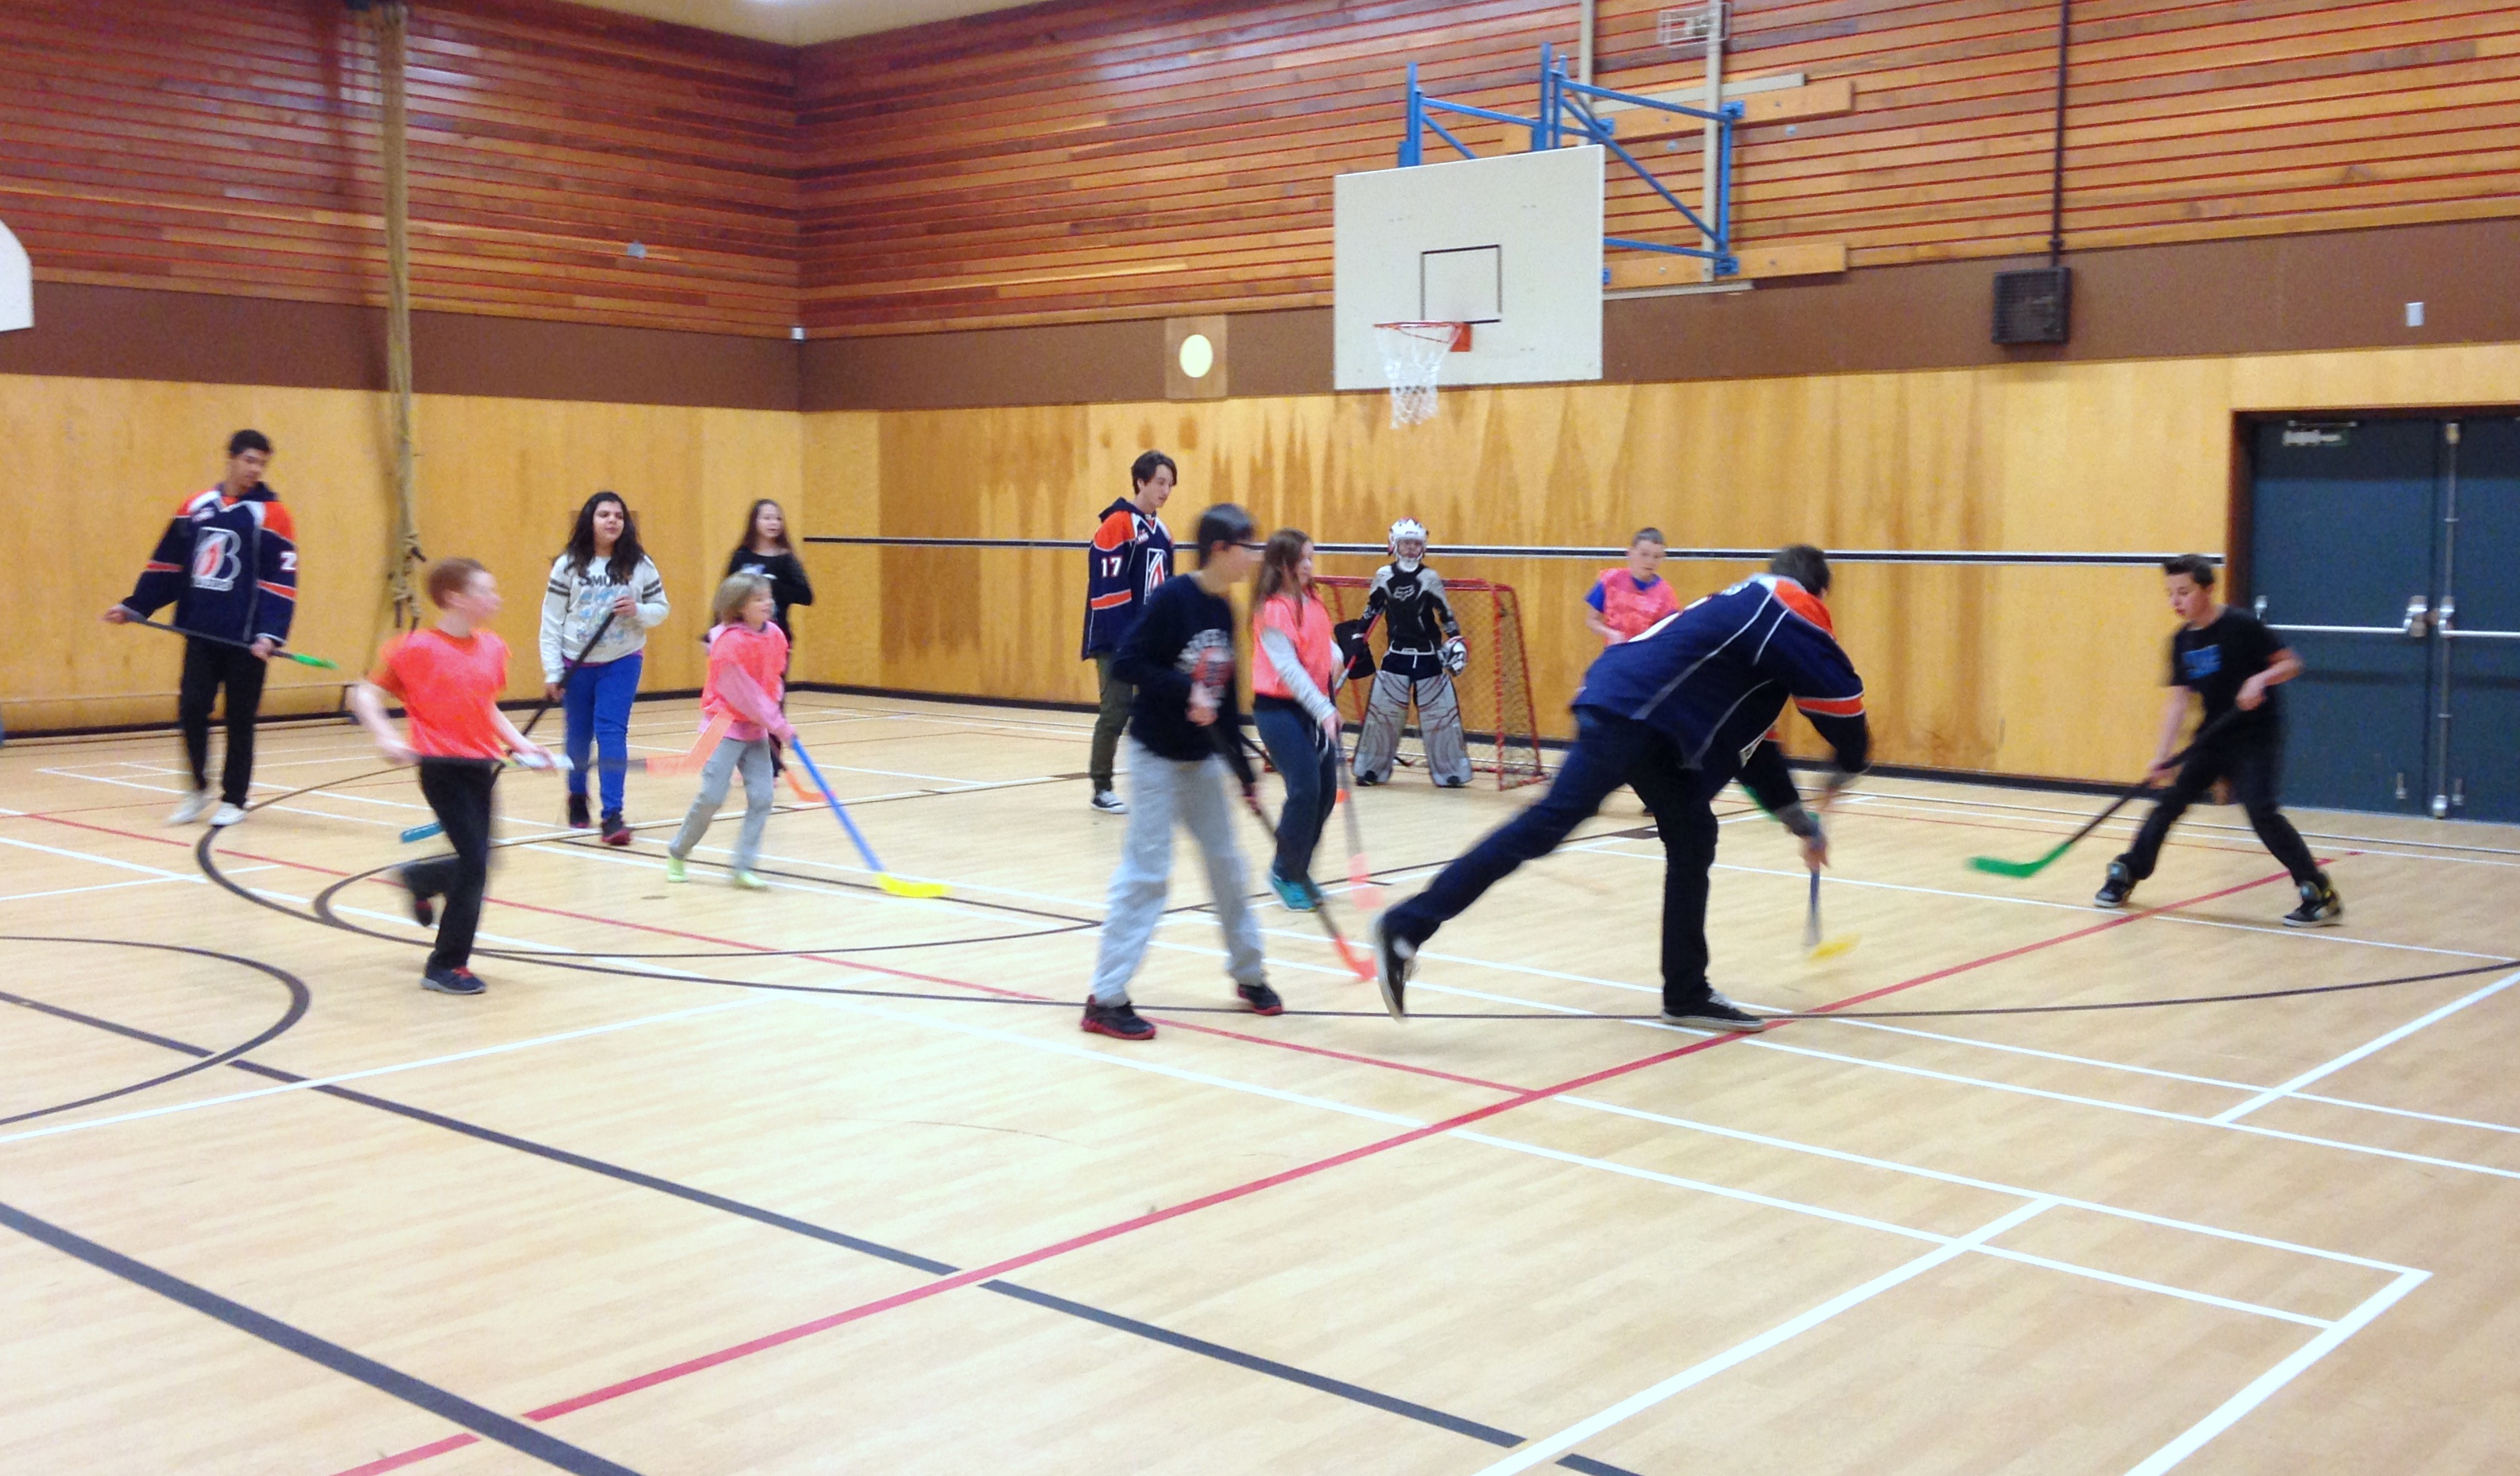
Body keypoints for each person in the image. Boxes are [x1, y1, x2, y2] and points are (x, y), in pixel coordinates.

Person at [1373, 545, 1871, 1031]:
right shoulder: (1784, 606)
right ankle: (1406, 926)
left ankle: (1686, 994)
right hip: (1636, 716)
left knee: (1694, 834)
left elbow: (1756, 750)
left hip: (1641, 716)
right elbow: (1847, 711)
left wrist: (1802, 824)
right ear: (1819, 592)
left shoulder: (1743, 615)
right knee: (1549, 823)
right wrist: (1846, 767)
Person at [1082, 503, 1282, 1041]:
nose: (1254, 556)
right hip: (1154, 758)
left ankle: (1248, 974)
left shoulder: (1225, 608)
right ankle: (1105, 997)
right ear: (1221, 549)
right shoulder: (1174, 599)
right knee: (1147, 874)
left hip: (1202, 760)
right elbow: (1128, 662)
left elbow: (1228, 693)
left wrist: (1243, 770)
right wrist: (1181, 689)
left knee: (1228, 868)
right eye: (1248, 546)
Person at [2095, 555, 2340, 925]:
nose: (2176, 601)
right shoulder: (2181, 641)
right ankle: (2128, 872)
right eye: (2170, 594)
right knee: (2169, 804)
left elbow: (2290, 663)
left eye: (2184, 592)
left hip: (2256, 735)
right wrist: (2162, 757)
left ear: (2208, 589)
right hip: (2213, 737)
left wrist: (2260, 680)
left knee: (2262, 813)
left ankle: (2317, 889)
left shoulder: (2241, 626)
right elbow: (2178, 702)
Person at [350, 558, 551, 997]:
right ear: (456, 598)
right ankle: (445, 965)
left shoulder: (493, 647)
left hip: (481, 768)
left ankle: (421, 879)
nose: (496, 599)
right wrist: (386, 737)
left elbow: (487, 708)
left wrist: (524, 746)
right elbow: (364, 693)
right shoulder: (415, 648)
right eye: (486, 591)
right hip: (442, 769)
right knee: (475, 866)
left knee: (480, 860)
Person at [101, 429, 298, 827]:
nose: (254, 469)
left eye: (261, 463)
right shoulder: (194, 507)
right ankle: (195, 789)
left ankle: (235, 799)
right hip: (201, 634)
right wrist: (135, 605)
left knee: (240, 719)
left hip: (247, 641)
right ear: (231, 459)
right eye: (248, 460)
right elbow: (168, 565)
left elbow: (282, 579)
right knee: (191, 709)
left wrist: (270, 634)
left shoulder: (274, 515)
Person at [541, 490, 668, 845]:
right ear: (590, 520)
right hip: (575, 661)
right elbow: (551, 621)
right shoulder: (568, 564)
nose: (612, 520)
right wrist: (553, 671)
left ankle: (613, 814)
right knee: (578, 736)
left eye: (618, 515)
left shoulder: (639, 564)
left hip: (623, 660)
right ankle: (577, 794)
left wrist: (638, 611)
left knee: (612, 732)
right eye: (604, 515)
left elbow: (661, 608)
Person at [665, 574, 791, 890]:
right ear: (739, 607)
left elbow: (774, 677)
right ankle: (678, 851)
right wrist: (777, 724)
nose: (768, 602)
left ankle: (743, 866)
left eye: (768, 596)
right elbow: (742, 692)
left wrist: (772, 713)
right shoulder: (729, 643)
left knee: (762, 797)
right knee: (711, 796)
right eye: (758, 598)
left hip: (754, 729)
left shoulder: (774, 635)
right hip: (721, 724)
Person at [1250, 529, 1345, 912]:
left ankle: (1299, 868)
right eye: (1303, 559)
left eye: (1312, 557)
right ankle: (1283, 873)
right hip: (1278, 711)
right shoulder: (1271, 608)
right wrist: (1324, 709)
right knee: (1304, 789)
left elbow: (1321, 645)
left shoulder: (1311, 598)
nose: (1309, 565)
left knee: (1324, 793)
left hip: (1312, 706)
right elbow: (1288, 669)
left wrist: (1337, 655)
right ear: (1283, 564)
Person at [1080, 451, 1178, 815]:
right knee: (1116, 710)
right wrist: (1125, 643)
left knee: (1155, 712)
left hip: (1148, 644)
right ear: (1140, 481)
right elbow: (1107, 587)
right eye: (1160, 482)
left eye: (1170, 484)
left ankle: (1154, 784)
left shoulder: (1162, 532)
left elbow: (1165, 591)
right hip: (1115, 640)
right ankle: (1101, 787)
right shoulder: (1117, 525)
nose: (1166, 491)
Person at [1350, 518, 1471, 788]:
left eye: (1416, 544)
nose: (1410, 549)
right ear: (1394, 544)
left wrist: (1456, 640)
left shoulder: (1430, 578)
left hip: (1429, 656)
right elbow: (1372, 610)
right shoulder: (1384, 576)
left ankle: (1450, 772)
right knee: (1383, 716)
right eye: (1405, 543)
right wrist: (1358, 636)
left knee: (1441, 718)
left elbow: (1445, 614)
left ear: (1423, 547)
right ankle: (1371, 769)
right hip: (1396, 656)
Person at [725, 499, 814, 646]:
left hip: (776, 636)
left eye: (778, 519)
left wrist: (773, 585)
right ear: (754, 522)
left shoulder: (786, 559)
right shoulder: (741, 556)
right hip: (741, 636)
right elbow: (726, 595)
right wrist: (713, 632)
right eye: (767, 518)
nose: (774, 523)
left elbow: (806, 596)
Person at [1586, 527, 1680, 645]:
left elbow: (1670, 633)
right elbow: (1591, 620)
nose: (1650, 561)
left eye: (1656, 557)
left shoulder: (1666, 594)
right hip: (1614, 652)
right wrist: (1611, 634)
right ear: (1630, 553)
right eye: (1644, 554)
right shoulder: (1610, 579)